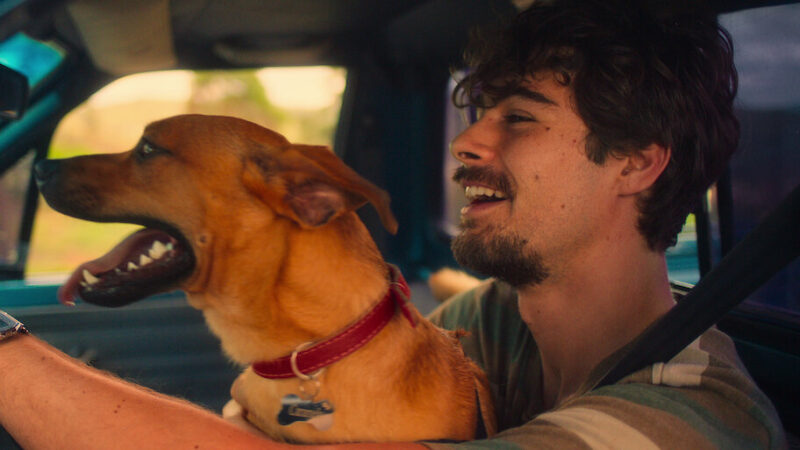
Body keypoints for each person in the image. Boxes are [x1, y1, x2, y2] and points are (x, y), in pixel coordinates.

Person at [0, 0, 786, 448]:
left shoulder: (688, 423)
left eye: (519, 117)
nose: (468, 141)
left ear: (637, 164)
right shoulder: (502, 318)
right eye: (480, 112)